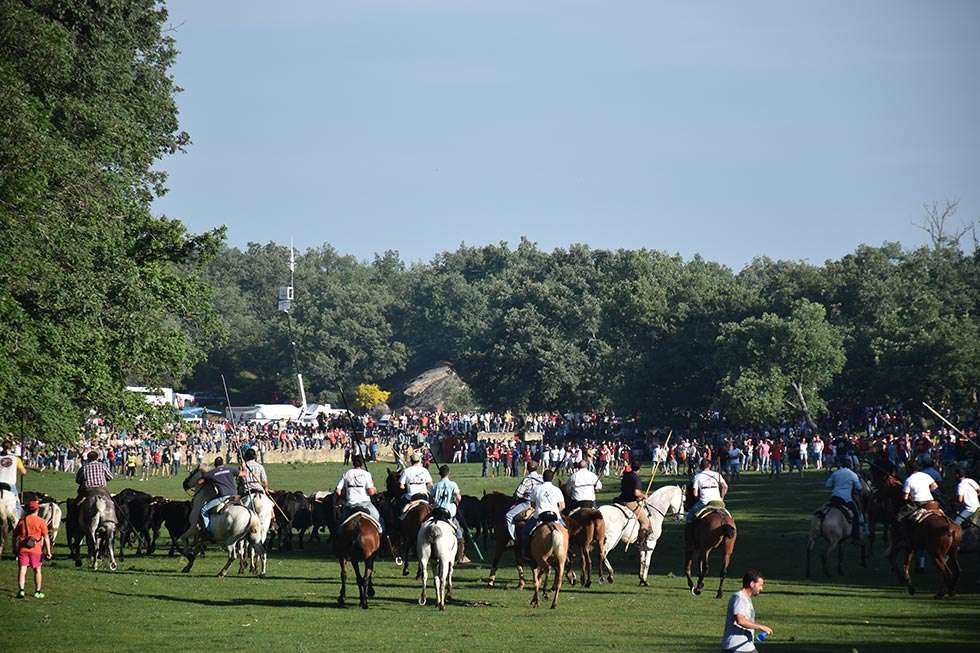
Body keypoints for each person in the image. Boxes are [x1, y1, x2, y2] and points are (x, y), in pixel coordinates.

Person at [720, 569, 772, 653]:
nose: (761, 588)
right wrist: (760, 627)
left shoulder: (746, 598)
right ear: (752, 584)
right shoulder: (739, 598)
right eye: (760, 585)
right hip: (736, 648)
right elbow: (740, 620)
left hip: (746, 647)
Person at [520, 469, 565, 557]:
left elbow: (532, 504)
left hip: (539, 516)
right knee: (566, 531)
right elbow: (562, 506)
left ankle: (526, 552)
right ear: (553, 478)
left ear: (543, 478)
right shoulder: (557, 490)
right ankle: (568, 551)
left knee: (525, 532)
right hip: (555, 516)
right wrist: (556, 511)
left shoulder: (536, 489)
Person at [430, 464, 468, 563]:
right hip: (448, 515)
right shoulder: (453, 484)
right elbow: (458, 497)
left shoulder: (436, 485)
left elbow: (431, 498)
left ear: (440, 474)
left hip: (437, 513)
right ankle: (460, 557)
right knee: (459, 534)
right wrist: (456, 501)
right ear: (448, 473)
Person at [14, 499, 51, 599]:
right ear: (37, 510)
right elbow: (46, 537)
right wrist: (48, 551)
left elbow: (15, 535)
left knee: (22, 569)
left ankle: (21, 590)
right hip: (36, 550)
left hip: (23, 549)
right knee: (37, 570)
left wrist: (15, 548)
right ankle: (37, 591)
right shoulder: (41, 522)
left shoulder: (22, 521)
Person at [334, 455, 382, 532]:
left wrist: (345, 495)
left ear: (353, 463)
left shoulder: (347, 473)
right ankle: (382, 534)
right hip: (366, 504)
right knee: (379, 520)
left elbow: (338, 491)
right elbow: (370, 492)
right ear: (362, 464)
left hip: (350, 505)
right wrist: (374, 489)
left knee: (339, 526)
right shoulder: (366, 474)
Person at [687, 458, 729, 540]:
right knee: (728, 516)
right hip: (718, 502)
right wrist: (721, 497)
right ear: (710, 465)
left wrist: (696, 498)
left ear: (700, 466)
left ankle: (689, 540)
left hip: (704, 502)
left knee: (690, 516)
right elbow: (725, 486)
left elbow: (695, 493)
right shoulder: (717, 475)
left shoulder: (697, 476)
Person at [196, 457, 239, 533]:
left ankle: (208, 530)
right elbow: (244, 474)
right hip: (235, 495)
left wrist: (204, 476)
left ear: (215, 465)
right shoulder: (231, 469)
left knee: (204, 510)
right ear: (223, 463)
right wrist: (244, 467)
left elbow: (199, 482)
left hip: (224, 497)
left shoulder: (212, 472)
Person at [825, 458, 863, 540]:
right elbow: (859, 487)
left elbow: (828, 485)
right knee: (856, 515)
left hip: (834, 497)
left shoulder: (836, 473)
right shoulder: (853, 474)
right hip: (846, 499)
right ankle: (855, 536)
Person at [505, 461, 543, 541]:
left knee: (509, 515)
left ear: (528, 468)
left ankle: (513, 538)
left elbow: (518, 494)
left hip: (528, 503)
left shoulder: (527, 479)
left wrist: (523, 495)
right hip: (541, 503)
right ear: (537, 468)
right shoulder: (541, 477)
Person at [615, 459, 652, 541]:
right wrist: (644, 496)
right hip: (630, 502)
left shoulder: (626, 475)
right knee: (645, 521)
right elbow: (636, 493)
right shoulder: (636, 478)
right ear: (639, 468)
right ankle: (641, 543)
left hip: (621, 498)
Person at [398, 451, 433, 517]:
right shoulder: (424, 470)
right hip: (424, 495)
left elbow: (401, 486)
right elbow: (430, 483)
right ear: (419, 461)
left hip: (411, 496)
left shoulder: (406, 471)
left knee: (399, 504)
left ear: (411, 461)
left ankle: (400, 518)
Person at [0, 442, 27, 519]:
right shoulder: (16, 459)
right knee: (17, 505)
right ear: (11, 448)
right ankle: (17, 521)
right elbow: (23, 472)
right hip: (10, 485)